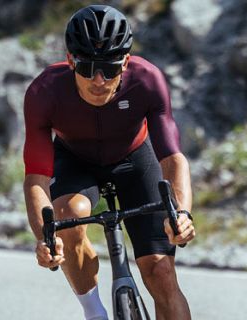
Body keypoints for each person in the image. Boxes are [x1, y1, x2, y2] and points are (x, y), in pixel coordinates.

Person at [22, 5, 196, 320]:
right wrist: (44, 238)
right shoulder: (44, 92)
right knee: (69, 217)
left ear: (126, 62)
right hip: (75, 161)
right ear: (71, 60)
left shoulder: (147, 80)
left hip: (134, 158)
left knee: (162, 274)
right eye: (87, 67)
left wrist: (181, 213)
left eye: (110, 68)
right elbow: (36, 178)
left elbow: (171, 157)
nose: (99, 80)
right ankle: (95, 313)